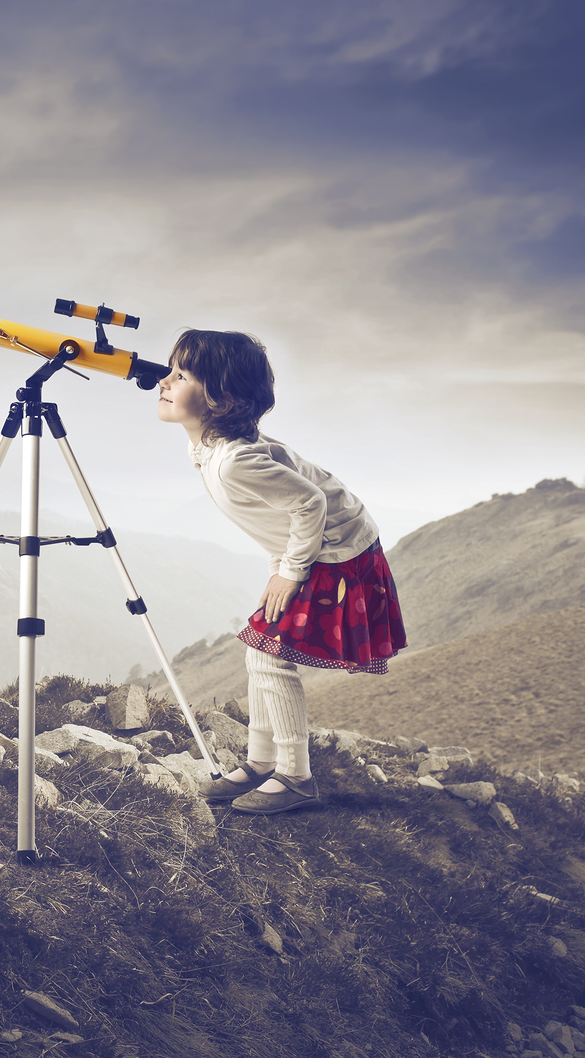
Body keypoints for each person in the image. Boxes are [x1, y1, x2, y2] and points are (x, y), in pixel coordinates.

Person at [155, 329, 406, 814]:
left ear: (221, 398)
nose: (163, 382)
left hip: (336, 552)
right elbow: (287, 505)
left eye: (180, 375)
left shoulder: (233, 461)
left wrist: (289, 572)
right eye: (170, 371)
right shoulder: (210, 444)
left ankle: (294, 776)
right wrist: (281, 561)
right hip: (311, 545)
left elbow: (309, 502)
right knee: (260, 653)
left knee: (270, 656)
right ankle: (260, 762)